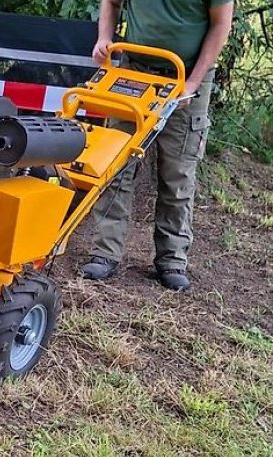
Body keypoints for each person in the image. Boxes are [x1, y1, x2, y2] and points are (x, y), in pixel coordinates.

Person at [82, 0, 234, 291]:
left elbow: (221, 25)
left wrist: (192, 83)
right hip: (134, 70)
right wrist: (104, 38)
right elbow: (111, 3)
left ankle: (172, 258)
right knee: (116, 164)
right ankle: (104, 253)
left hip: (187, 75)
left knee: (177, 173)